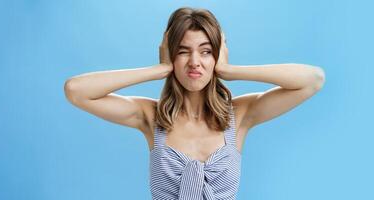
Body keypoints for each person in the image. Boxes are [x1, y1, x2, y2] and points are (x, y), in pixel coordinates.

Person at [64, 7, 325, 200]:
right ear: (171, 55)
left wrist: (230, 70)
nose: (194, 62)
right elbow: (76, 90)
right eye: (182, 51)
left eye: (205, 51)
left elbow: (313, 79)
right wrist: (159, 69)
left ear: (216, 56)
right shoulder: (150, 116)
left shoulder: (241, 115)